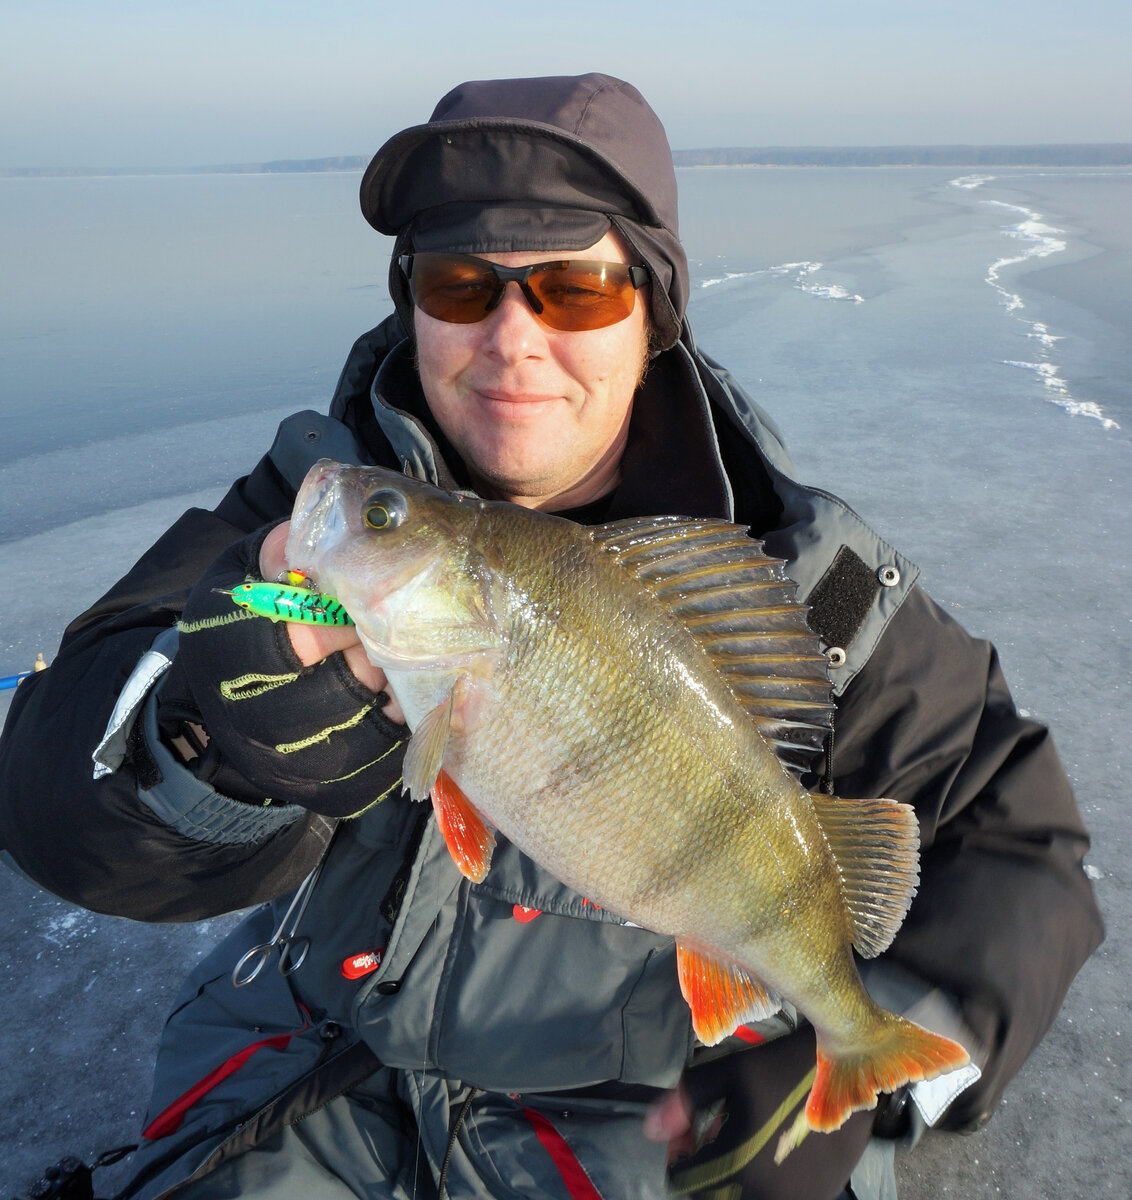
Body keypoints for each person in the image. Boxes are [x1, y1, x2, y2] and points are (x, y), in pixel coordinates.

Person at [0, 74, 1102, 1200]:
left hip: (635, 1136)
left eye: (574, 289)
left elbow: (1019, 838)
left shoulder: (805, 587)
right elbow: (53, 800)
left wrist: (887, 1069)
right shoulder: (295, 537)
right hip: (310, 1083)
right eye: (460, 282)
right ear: (412, 306)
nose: (511, 338)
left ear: (653, 308)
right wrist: (200, 745)